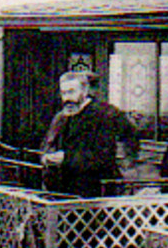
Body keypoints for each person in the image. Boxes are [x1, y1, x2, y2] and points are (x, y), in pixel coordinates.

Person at [39, 70, 136, 198]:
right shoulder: (61, 117)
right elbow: (48, 143)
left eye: (71, 92)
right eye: (63, 93)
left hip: (94, 192)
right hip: (61, 190)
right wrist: (47, 156)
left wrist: (67, 158)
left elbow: (104, 157)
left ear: (85, 91)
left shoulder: (104, 115)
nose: (67, 98)